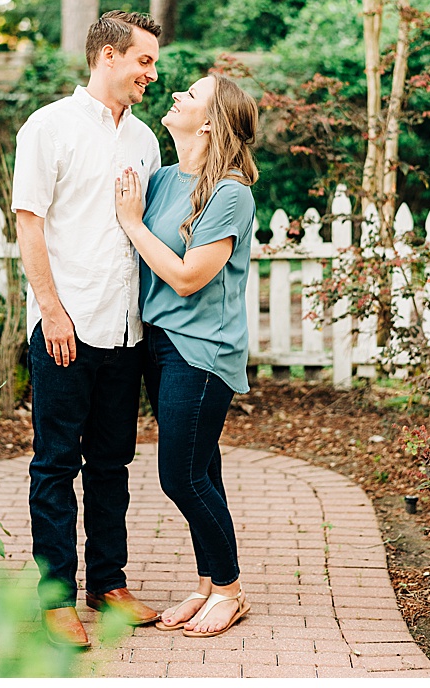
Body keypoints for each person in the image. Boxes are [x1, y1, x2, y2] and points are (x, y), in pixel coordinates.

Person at [12, 11, 164, 648]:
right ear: (107, 55)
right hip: (64, 327)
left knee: (113, 463)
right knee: (54, 464)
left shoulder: (147, 141)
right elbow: (29, 224)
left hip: (125, 328)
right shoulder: (48, 127)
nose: (151, 74)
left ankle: (109, 583)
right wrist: (51, 310)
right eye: (144, 61)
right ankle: (56, 599)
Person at [113, 73, 258, 638]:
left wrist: (130, 222)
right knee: (203, 471)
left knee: (180, 476)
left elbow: (187, 277)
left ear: (212, 121)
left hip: (201, 352)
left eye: (192, 95)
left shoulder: (230, 192)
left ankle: (230, 590)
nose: (176, 95)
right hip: (159, 343)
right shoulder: (166, 178)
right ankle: (207, 585)